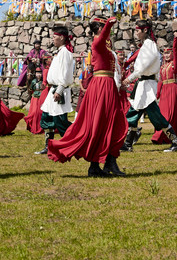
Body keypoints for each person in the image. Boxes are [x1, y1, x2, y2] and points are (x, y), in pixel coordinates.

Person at [48, 17, 128, 177]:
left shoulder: (106, 46)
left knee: (112, 123)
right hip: (101, 86)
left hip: (108, 85)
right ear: (100, 28)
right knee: (99, 123)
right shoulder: (97, 43)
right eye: (104, 27)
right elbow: (102, 39)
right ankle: (97, 164)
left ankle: (108, 161)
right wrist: (109, 25)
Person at [122, 19, 177, 153]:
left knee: (155, 116)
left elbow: (144, 66)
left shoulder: (149, 44)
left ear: (145, 30)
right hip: (142, 86)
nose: (136, 33)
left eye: (138, 30)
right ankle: (128, 144)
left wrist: (129, 78)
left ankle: (175, 141)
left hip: (147, 86)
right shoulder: (145, 45)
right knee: (132, 114)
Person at [35, 26, 75, 155]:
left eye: (54, 36)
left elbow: (64, 74)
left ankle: (74, 142)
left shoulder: (65, 53)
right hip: (53, 89)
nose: (53, 38)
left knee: (60, 121)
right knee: (47, 118)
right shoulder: (60, 51)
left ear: (62, 37)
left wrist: (59, 90)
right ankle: (49, 146)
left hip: (59, 90)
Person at [152, 32, 177, 145]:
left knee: (171, 114)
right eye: (165, 54)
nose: (167, 55)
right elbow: (160, 81)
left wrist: (176, 39)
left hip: (173, 89)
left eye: (169, 53)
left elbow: (175, 50)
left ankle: (164, 137)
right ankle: (164, 137)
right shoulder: (163, 66)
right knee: (163, 114)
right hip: (165, 91)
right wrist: (158, 94)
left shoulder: (175, 63)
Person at [25, 66, 47, 134]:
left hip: (41, 98)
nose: (39, 74)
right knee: (34, 112)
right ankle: (33, 126)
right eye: (37, 73)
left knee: (40, 112)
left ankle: (41, 127)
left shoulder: (43, 81)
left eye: (40, 73)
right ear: (35, 74)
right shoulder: (33, 81)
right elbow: (31, 89)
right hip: (35, 98)